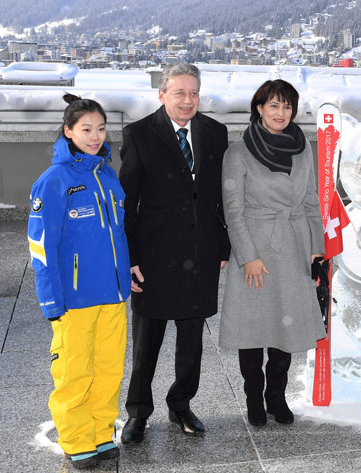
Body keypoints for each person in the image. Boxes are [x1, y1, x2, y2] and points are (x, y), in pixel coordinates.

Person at [118, 63, 231, 441]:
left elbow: (221, 196)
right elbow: (127, 202)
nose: (187, 100)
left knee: (191, 340)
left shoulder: (215, 133)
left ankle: (181, 404)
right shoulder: (138, 135)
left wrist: (223, 244)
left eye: (193, 93)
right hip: (153, 255)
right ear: (162, 95)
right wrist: (129, 257)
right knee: (147, 340)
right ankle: (138, 413)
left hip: (200, 253)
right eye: (179, 92)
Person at [28, 93, 130, 469]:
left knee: (108, 371)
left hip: (113, 295)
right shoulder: (53, 181)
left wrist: (127, 271)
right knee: (74, 373)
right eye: (86, 129)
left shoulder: (106, 174)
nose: (95, 136)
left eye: (101, 128)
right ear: (68, 131)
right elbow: (41, 246)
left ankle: (102, 433)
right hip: (74, 299)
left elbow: (118, 234)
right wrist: (51, 301)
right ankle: (76, 440)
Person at [218, 80, 325, 426]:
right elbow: (233, 211)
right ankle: (253, 397)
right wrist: (248, 256)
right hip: (255, 246)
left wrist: (316, 249)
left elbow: (311, 200)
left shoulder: (303, 147)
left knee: (286, 328)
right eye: (274, 106)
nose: (281, 113)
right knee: (253, 329)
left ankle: (275, 397)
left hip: (293, 246)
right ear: (259, 108)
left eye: (287, 107)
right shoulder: (239, 151)